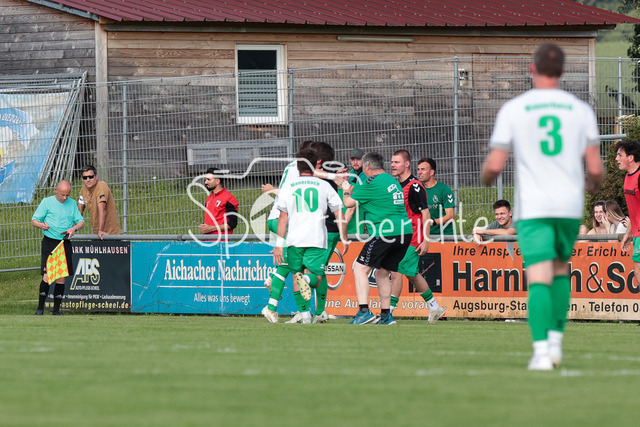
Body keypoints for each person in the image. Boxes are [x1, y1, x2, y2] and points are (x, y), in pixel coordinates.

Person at [481, 43, 603, 370]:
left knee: (538, 276)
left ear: (532, 69)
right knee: (561, 269)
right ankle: (556, 342)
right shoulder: (580, 110)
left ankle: (540, 352)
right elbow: (595, 168)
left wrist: (487, 177)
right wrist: (592, 183)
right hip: (568, 204)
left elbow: (495, 165)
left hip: (534, 206)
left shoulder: (515, 108)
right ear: (563, 72)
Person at [269, 148, 348, 324]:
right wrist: (344, 237)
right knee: (316, 277)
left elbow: (283, 218)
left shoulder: (288, 187)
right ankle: (306, 281)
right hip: (317, 238)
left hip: (294, 239)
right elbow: (338, 213)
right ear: (316, 166)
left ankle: (305, 316)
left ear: (297, 166)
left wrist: (279, 244)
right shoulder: (324, 185)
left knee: (295, 275)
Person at [337, 152, 413, 325]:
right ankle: (386, 315)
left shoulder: (371, 182)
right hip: (405, 232)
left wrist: (345, 190)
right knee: (382, 272)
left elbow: (349, 203)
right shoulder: (391, 181)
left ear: (368, 166)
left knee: (359, 268)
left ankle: (364, 311)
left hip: (385, 232)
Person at [389, 149, 446, 324]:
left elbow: (426, 214)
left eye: (396, 162)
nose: (392, 165)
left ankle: (388, 312)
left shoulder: (414, 186)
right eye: (392, 162)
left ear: (407, 164)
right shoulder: (397, 186)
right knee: (411, 274)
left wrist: (426, 240)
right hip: (402, 236)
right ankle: (434, 307)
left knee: (396, 270)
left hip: (414, 237)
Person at [31, 180, 85, 315]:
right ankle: (40, 308)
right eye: (62, 194)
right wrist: (41, 225)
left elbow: (81, 222)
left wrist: (74, 228)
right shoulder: (46, 202)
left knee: (61, 277)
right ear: (56, 190)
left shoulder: (72, 204)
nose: (65, 197)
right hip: (49, 242)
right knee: (47, 276)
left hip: (64, 243)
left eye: (67, 195)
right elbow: (34, 220)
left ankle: (56, 311)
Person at [616, 140, 640, 291]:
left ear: (630, 158)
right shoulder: (627, 177)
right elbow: (636, 211)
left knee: (638, 269)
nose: (616, 159)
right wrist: (628, 233)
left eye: (620, 155)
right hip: (637, 233)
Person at [77, 165, 121, 239]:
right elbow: (79, 210)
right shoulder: (84, 189)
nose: (88, 180)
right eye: (85, 178)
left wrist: (100, 230)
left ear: (96, 177)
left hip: (110, 233)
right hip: (96, 233)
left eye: (91, 177)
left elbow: (102, 210)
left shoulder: (101, 186)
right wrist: (72, 228)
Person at [416, 158, 455, 239]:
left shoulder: (444, 190)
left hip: (444, 237)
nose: (419, 172)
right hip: (424, 236)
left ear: (431, 172)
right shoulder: (417, 190)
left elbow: (450, 215)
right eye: (418, 169)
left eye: (423, 169)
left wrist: (433, 222)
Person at [198, 167, 239, 235]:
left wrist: (212, 228)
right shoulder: (209, 198)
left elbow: (232, 224)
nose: (205, 182)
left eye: (208, 180)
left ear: (217, 181)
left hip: (220, 240)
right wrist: (204, 227)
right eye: (206, 179)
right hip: (206, 239)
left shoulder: (229, 199)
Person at [342, 148, 367, 238]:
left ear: (364, 160)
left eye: (358, 159)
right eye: (353, 160)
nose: (355, 162)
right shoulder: (351, 173)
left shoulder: (366, 174)